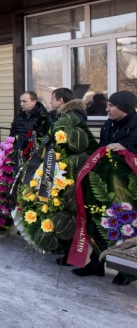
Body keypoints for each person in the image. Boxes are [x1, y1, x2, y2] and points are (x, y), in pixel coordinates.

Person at [71, 90, 137, 286]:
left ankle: (125, 271)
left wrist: (127, 151)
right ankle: (96, 264)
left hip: (130, 188)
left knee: (125, 226)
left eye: (111, 106)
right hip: (104, 183)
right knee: (99, 221)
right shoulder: (108, 125)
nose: (106, 109)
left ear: (124, 107)